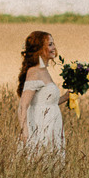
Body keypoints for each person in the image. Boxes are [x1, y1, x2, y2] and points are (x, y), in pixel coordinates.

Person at [16, 29, 65, 160]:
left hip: (53, 126)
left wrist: (68, 96)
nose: (54, 47)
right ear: (39, 49)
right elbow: (23, 105)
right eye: (49, 45)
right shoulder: (34, 72)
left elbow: (48, 102)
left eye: (53, 44)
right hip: (39, 125)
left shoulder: (44, 71)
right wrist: (25, 131)